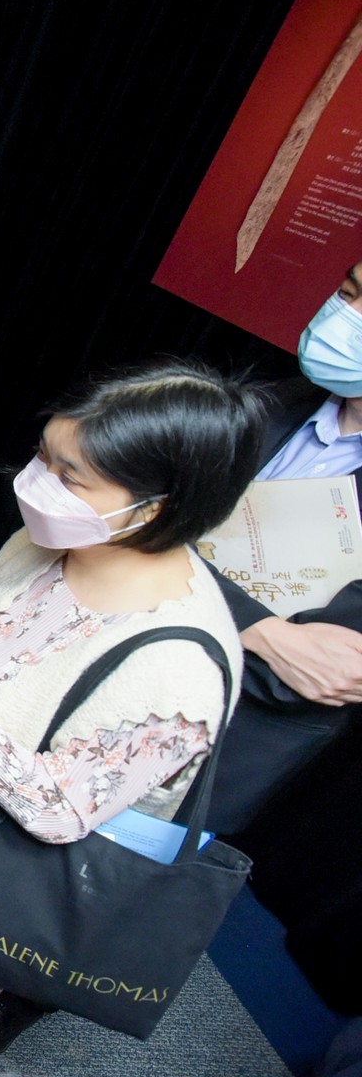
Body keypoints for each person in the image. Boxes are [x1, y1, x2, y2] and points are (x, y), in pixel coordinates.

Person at [0, 361, 267, 1075]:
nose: (37, 484)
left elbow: (54, 809)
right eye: (43, 456)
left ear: (151, 508)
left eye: (69, 476)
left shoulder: (180, 671)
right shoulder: (52, 536)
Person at [204, 261, 362, 830]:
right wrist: (265, 629)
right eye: (349, 292)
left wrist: (168, 571)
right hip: (99, 670)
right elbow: (131, 524)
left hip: (227, 744)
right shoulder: (262, 402)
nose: (347, 319)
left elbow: (311, 672)